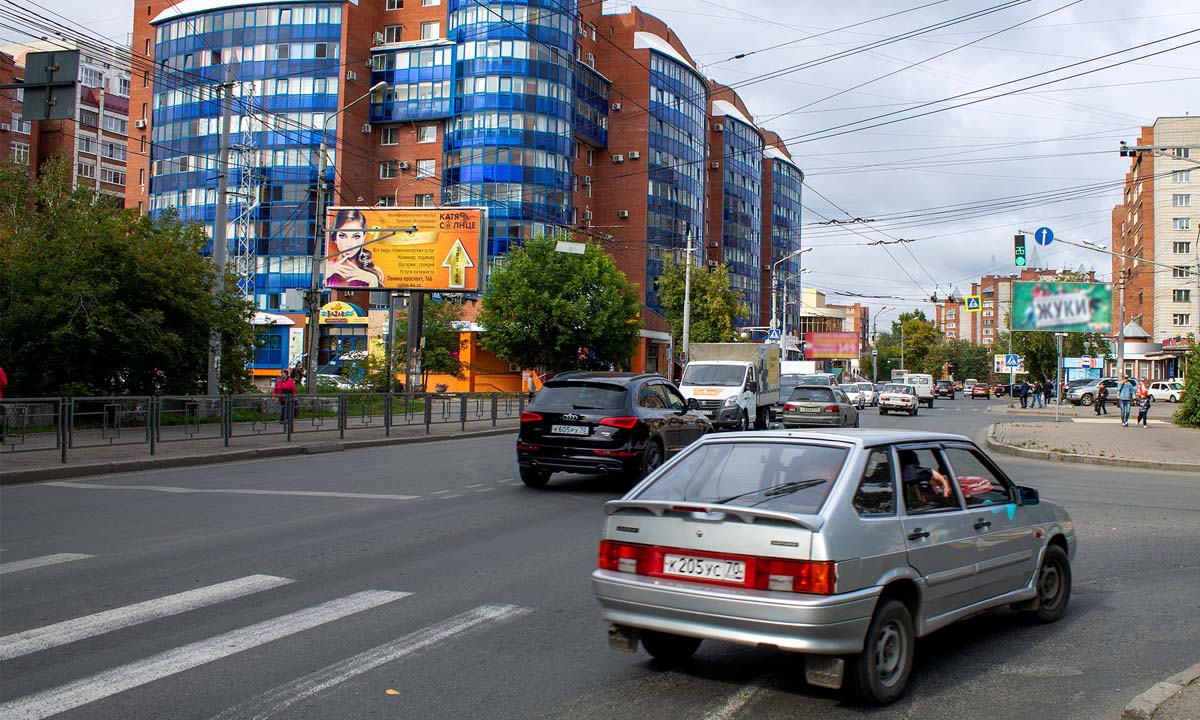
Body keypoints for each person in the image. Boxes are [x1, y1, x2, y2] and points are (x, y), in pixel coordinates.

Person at [324, 209, 385, 288]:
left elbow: (377, 299)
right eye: (342, 236)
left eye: (356, 236)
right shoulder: (325, 269)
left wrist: (372, 280)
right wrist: (324, 276)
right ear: (335, 237)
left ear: (364, 237)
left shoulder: (375, 272)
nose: (349, 244)